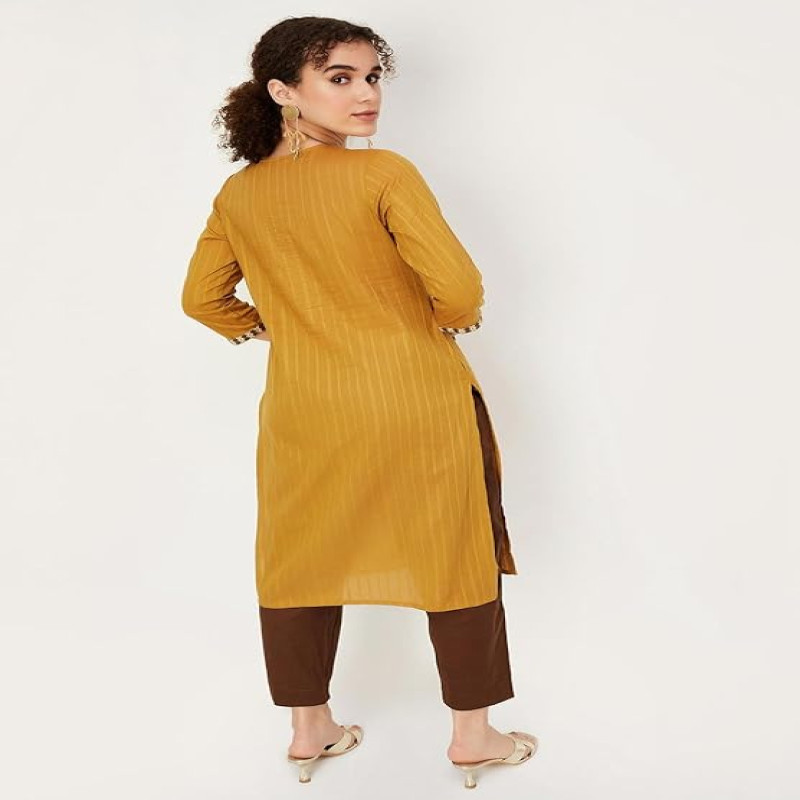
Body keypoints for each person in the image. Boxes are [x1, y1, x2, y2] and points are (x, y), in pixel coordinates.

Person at [181, 15, 537, 788]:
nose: (366, 94)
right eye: (340, 78)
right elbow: (459, 287)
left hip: (305, 412)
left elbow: (201, 299)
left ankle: (310, 729)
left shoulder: (240, 195)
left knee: (296, 561)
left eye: (372, 76)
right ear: (283, 91)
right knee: (452, 557)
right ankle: (473, 737)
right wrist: (452, 317)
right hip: (414, 403)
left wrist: (266, 325)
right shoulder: (382, 174)